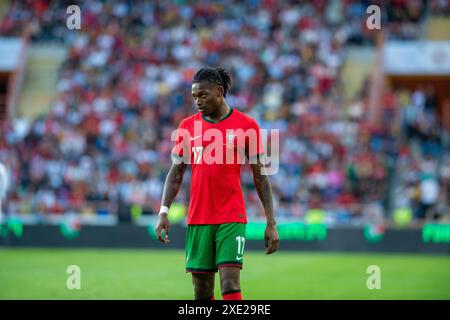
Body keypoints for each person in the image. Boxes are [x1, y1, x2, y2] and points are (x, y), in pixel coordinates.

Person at [155, 67, 279, 300]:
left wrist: (271, 222)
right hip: (199, 217)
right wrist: (163, 211)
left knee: (230, 283)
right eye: (194, 97)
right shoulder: (187, 127)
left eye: (203, 95)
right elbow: (176, 171)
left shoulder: (246, 125)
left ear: (220, 91)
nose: (198, 101)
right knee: (201, 292)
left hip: (231, 215)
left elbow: (260, 176)